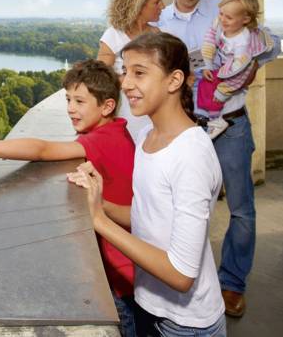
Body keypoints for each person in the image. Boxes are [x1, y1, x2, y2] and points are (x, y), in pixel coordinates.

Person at [0, 59, 137, 337]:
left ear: (107, 106)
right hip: (130, 274)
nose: (71, 108)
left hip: (120, 283)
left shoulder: (101, 140)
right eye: (68, 99)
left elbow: (42, 150)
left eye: (80, 101)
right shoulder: (118, 130)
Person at [69, 32, 226, 337]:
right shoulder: (146, 138)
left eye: (139, 73)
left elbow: (181, 275)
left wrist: (99, 221)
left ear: (174, 80)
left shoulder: (190, 155)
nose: (126, 83)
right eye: (125, 71)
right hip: (149, 306)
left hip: (185, 325)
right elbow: (147, 217)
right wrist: (99, 202)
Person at [156, 0, 279, 318]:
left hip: (231, 123)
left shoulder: (224, 9)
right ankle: (183, 277)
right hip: (184, 126)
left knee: (241, 209)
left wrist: (244, 66)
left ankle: (232, 285)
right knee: (182, 207)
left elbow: (267, 47)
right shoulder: (161, 19)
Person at [199, 0, 276, 139]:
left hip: (237, 71)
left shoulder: (243, 44)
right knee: (205, 85)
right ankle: (214, 118)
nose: (222, 19)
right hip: (225, 65)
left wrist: (223, 91)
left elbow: (240, 74)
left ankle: (217, 121)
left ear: (245, 19)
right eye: (221, 13)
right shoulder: (221, 22)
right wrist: (207, 63)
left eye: (229, 17)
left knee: (215, 95)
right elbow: (210, 37)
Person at [98, 0, 165, 142]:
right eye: (156, 2)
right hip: (129, 112)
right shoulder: (113, 36)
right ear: (139, 4)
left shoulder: (157, 34)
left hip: (156, 110)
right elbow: (100, 78)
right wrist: (133, 80)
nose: (163, 6)